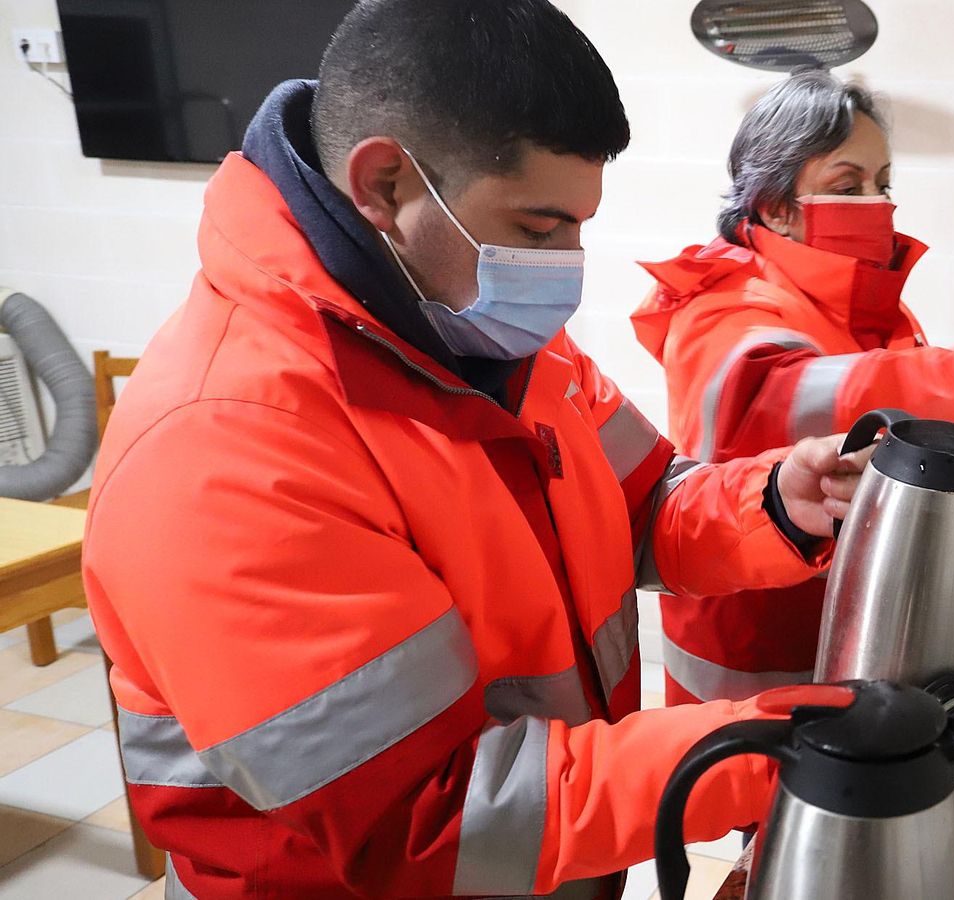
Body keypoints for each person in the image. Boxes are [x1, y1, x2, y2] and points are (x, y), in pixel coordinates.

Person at [81, 4, 870, 897]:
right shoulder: (227, 448)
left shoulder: (482, 336)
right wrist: (782, 746)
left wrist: (777, 501)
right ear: (385, 184)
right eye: (538, 230)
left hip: (547, 864)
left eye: (579, 225)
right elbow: (433, 820)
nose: (567, 265)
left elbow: (645, 504)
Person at [633, 70, 954, 706]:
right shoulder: (721, 303)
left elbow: (912, 404)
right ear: (775, 207)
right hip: (754, 658)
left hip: (846, 629)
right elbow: (794, 406)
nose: (876, 204)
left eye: (883, 184)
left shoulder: (861, 300)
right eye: (846, 186)